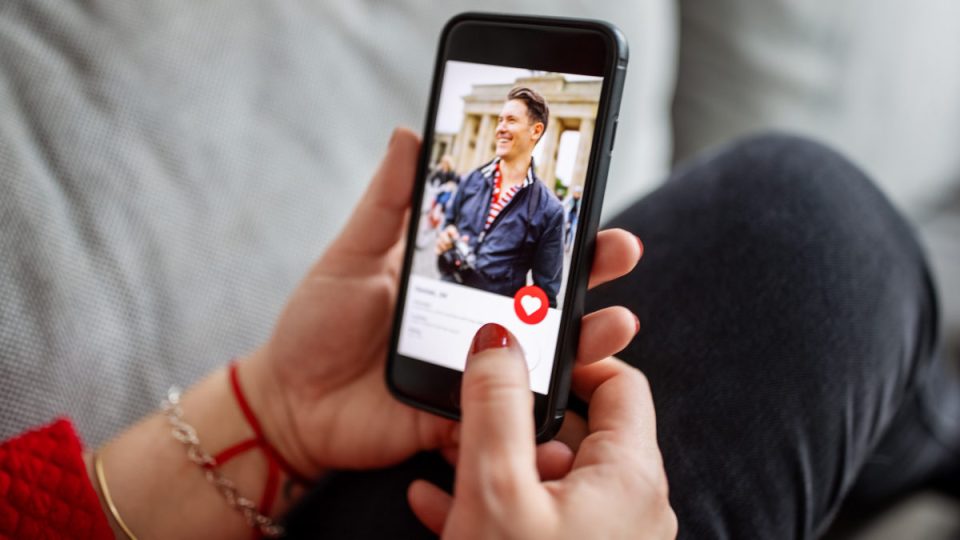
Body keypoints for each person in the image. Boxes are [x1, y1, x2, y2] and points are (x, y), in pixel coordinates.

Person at [2, 128, 959, 540]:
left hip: (406, 396)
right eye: (496, 123)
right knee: (812, 235)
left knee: (802, 231)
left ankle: (918, 448)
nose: (501, 135)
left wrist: (275, 413)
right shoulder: (471, 184)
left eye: (514, 126)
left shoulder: (538, 199)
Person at [436, 87, 565, 307]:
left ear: (535, 131)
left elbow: (545, 295)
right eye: (499, 120)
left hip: (493, 316)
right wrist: (445, 235)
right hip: (448, 298)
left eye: (511, 121)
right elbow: (449, 222)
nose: (501, 129)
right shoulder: (471, 180)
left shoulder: (549, 210)